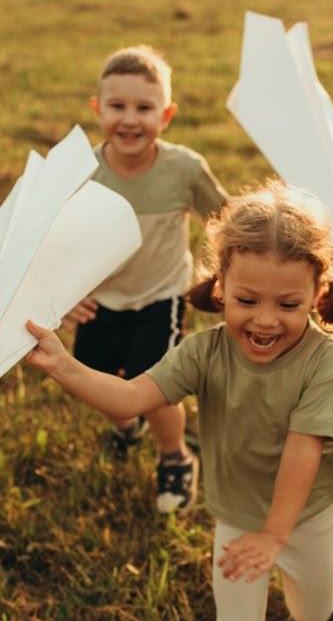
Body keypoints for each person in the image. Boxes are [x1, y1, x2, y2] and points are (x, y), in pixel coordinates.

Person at [26, 183, 333, 621]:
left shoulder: (322, 360)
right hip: (237, 515)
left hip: (305, 514)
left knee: (313, 614)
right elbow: (132, 397)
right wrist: (64, 366)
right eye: (247, 300)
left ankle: (311, 574)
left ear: (317, 295)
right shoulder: (203, 353)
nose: (265, 320)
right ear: (220, 287)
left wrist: (277, 536)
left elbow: (303, 449)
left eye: (288, 305)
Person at [65, 43, 229, 513]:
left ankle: (174, 457)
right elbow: (57, 240)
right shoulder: (81, 173)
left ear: (167, 115)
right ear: (98, 109)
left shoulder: (184, 169)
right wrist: (65, 295)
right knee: (96, 379)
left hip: (162, 296)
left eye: (144, 108)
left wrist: (233, 278)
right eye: (117, 106)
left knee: (153, 388)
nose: (130, 120)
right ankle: (126, 424)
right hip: (102, 299)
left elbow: (225, 221)